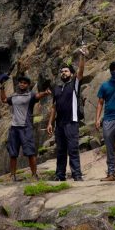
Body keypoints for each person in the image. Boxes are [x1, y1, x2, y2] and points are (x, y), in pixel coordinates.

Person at [0, 72, 51, 182]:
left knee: (30, 152)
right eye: (20, 83)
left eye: (24, 83)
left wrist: (46, 93)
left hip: (26, 128)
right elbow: (4, 100)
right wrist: (2, 88)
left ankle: (34, 175)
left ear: (28, 85)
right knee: (13, 153)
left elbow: (38, 96)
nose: (22, 84)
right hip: (14, 128)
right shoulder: (14, 96)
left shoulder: (30, 95)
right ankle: (12, 175)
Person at [46, 46, 88, 182]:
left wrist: (82, 56)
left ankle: (77, 175)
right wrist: (49, 123)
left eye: (66, 71)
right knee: (60, 151)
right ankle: (60, 176)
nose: (63, 73)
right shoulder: (57, 89)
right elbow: (54, 107)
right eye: (62, 71)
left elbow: (81, 72)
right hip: (60, 124)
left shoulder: (74, 84)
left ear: (70, 73)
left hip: (72, 122)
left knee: (73, 149)